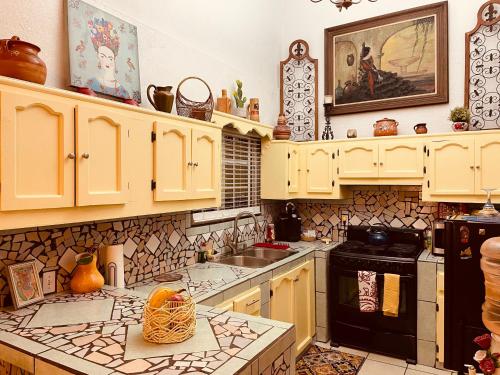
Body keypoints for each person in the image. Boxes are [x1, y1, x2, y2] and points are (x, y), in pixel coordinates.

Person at [86, 17, 130, 99]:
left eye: (110, 58)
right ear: (98, 57)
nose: (106, 61)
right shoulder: (91, 84)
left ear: (114, 59)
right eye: (102, 56)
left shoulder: (124, 92)